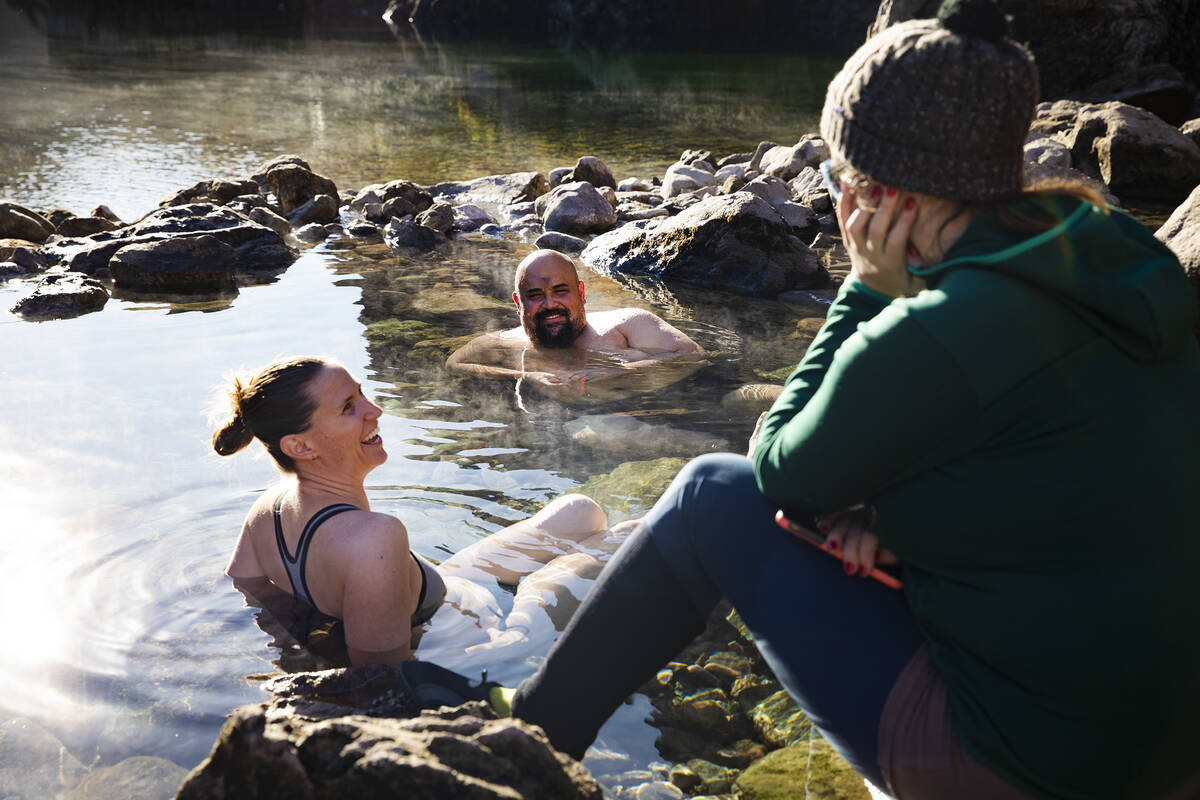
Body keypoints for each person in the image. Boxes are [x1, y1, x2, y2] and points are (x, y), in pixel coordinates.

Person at [502, 2, 1200, 798]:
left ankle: (524, 742)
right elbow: (1066, 477)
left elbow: (778, 466)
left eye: (838, 175)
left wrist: (866, 290)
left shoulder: (941, 327)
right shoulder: (1116, 257)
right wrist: (901, 527)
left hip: (1044, 763)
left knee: (707, 494)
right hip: (1166, 737)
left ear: (882, 190)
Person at [213, 355, 632, 667]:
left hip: (443, 588)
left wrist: (308, 638)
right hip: (480, 636)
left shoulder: (265, 509)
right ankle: (541, 592)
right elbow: (383, 677)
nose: (374, 410)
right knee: (628, 537)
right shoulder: (373, 539)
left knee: (582, 511)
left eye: (361, 393)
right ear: (300, 447)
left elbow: (247, 589)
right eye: (348, 407)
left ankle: (555, 571)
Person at [446, 249, 706, 401]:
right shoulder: (505, 341)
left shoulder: (627, 323)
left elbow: (692, 355)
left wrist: (616, 372)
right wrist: (526, 375)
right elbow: (455, 364)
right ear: (518, 301)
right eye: (536, 295)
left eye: (561, 291)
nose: (550, 304)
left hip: (631, 415)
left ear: (581, 292)